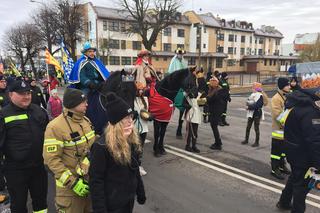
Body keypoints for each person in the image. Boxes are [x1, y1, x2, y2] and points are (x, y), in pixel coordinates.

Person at [89, 92, 146, 213]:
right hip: (112, 205)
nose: (130, 121)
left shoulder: (131, 140)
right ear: (116, 123)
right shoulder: (101, 146)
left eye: (131, 117)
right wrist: (100, 210)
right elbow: (96, 181)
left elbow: (135, 168)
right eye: (125, 118)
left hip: (128, 200)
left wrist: (140, 191)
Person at [43, 88, 96, 213]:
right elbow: (52, 161)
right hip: (69, 192)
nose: (87, 104)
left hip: (90, 186)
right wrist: (73, 183)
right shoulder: (55, 127)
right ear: (73, 104)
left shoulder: (86, 121)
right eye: (83, 102)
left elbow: (93, 147)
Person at [0, 80, 49, 213]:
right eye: (21, 94)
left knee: (41, 203)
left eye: (28, 93)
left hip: (38, 167)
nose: (26, 96)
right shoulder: (3, 114)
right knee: (19, 205)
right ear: (10, 95)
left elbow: (50, 135)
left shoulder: (39, 111)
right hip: (15, 170)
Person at [277, 76, 320, 212]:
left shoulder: (298, 103)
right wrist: (318, 164)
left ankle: (283, 202)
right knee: (301, 188)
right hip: (303, 155)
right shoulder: (311, 112)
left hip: (293, 151)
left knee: (295, 178)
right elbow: (314, 141)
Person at [270, 77, 291, 180]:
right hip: (278, 130)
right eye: (287, 85)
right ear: (282, 86)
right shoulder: (276, 98)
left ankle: (282, 166)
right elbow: (278, 115)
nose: (289, 86)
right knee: (276, 152)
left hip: (286, 130)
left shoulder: (287, 96)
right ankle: (274, 169)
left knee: (283, 151)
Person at [167, 48, 188, 139]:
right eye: (179, 54)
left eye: (182, 54)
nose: (180, 56)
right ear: (177, 54)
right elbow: (171, 72)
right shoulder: (173, 61)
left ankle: (179, 128)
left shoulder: (184, 61)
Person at [241, 82, 267, 147]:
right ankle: (246, 140)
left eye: (253, 87)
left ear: (256, 88)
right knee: (248, 127)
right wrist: (248, 104)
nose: (252, 88)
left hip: (257, 113)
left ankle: (257, 142)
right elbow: (248, 101)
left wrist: (249, 107)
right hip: (251, 112)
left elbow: (258, 105)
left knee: (256, 128)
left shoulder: (260, 95)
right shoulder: (253, 94)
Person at [206, 76, 228, 150]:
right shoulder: (214, 89)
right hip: (215, 111)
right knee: (214, 127)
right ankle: (218, 142)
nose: (210, 84)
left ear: (214, 83)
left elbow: (211, 100)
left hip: (216, 111)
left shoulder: (217, 91)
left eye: (211, 83)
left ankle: (218, 144)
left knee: (214, 126)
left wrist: (206, 99)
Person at [134, 86, 149, 176]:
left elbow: (146, 112)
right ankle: (133, 165)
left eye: (142, 90)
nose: (140, 91)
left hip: (144, 127)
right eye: (139, 90)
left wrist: (150, 116)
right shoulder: (132, 99)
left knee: (140, 148)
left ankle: (138, 166)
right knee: (134, 148)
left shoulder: (145, 99)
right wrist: (133, 113)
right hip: (135, 127)